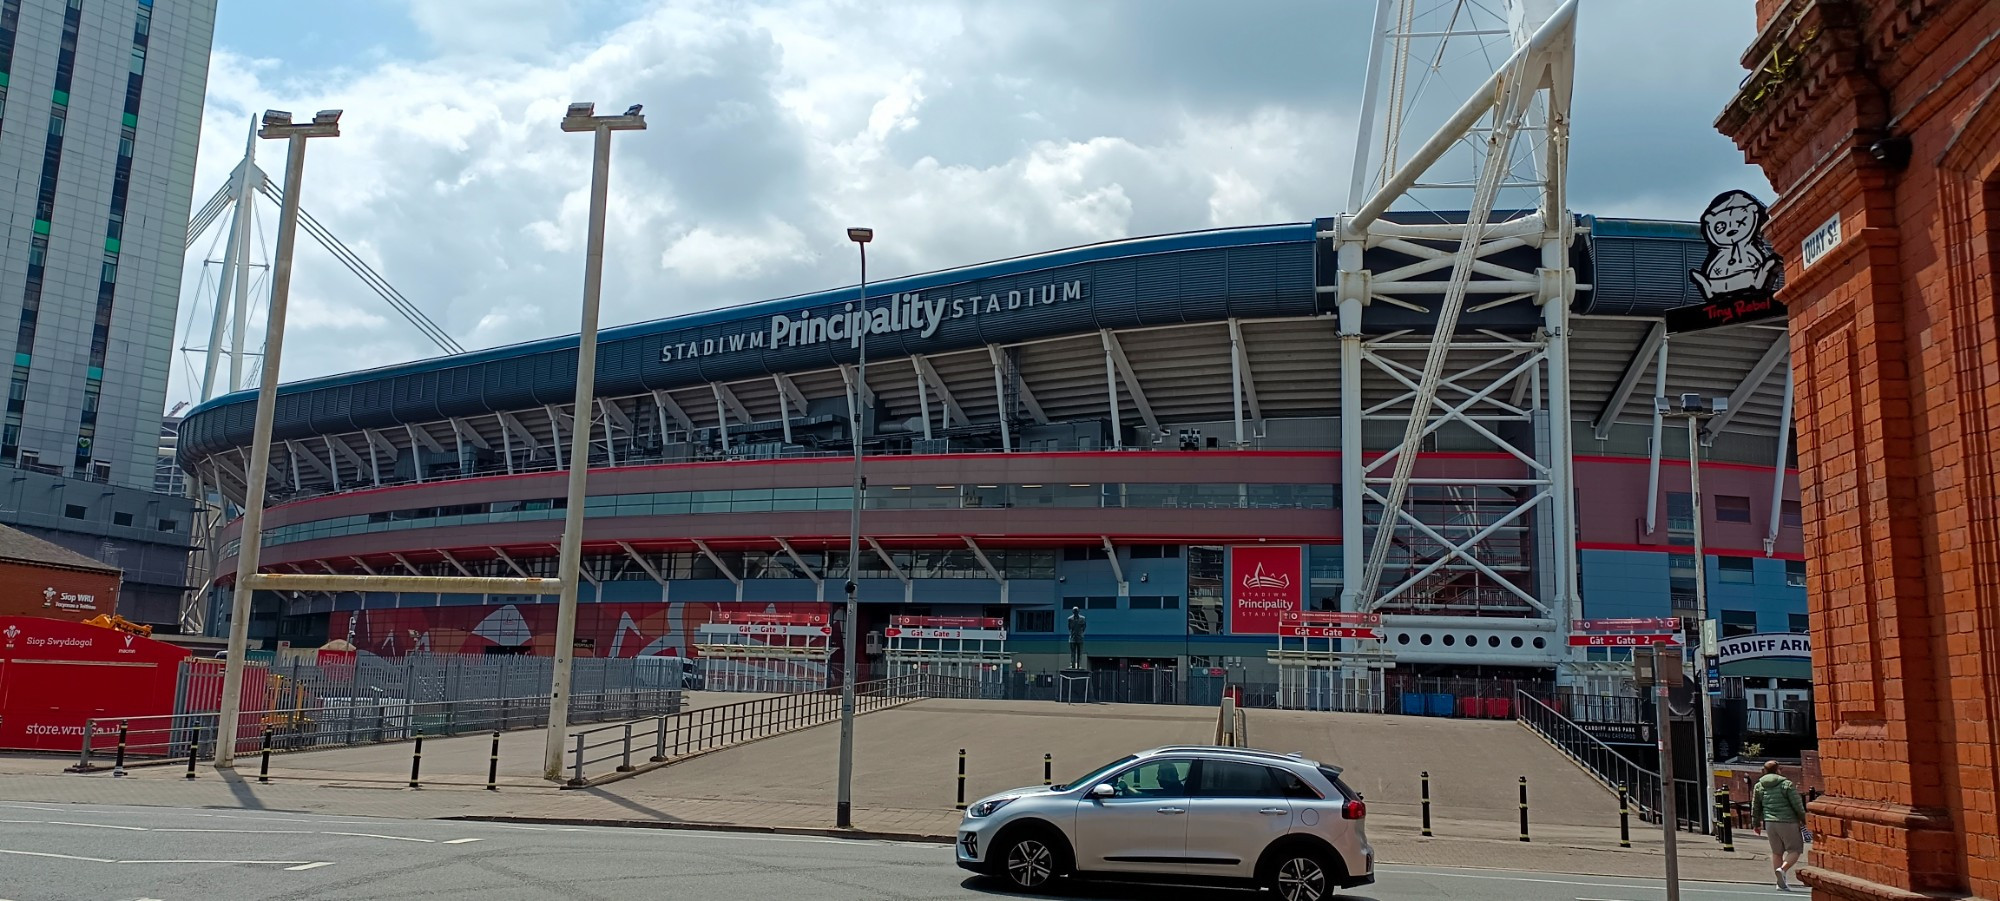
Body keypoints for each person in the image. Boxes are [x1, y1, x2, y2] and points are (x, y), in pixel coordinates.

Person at [1751, 760, 1809, 891]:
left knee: (1777, 852)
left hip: (1770, 823)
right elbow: (1797, 804)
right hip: (1788, 821)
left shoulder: (1759, 786)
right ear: (1778, 770)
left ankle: (1780, 882)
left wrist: (1756, 823)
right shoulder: (1786, 784)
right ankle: (1782, 869)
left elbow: (1755, 806)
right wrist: (1804, 819)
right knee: (1795, 850)